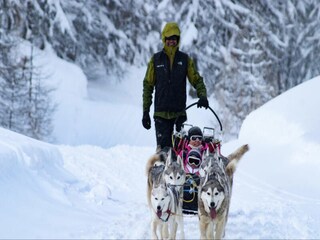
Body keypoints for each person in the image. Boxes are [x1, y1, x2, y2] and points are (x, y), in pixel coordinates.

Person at [142, 22, 209, 150]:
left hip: (179, 114)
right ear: (164, 39)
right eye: (169, 38)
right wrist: (146, 112)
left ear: (178, 40)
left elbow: (196, 80)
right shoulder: (156, 60)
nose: (171, 41)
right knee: (163, 153)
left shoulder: (184, 60)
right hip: (161, 115)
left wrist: (203, 96)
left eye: (174, 38)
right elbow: (148, 86)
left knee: (181, 152)